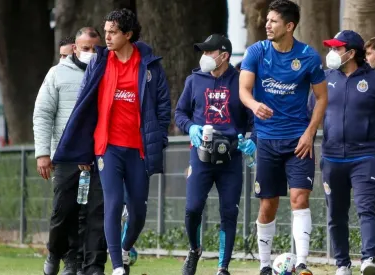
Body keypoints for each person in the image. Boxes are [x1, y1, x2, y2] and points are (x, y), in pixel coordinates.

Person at [52, 8, 171, 275]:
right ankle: (117, 266)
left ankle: (126, 248)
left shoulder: (149, 64)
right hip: (108, 147)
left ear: (128, 35)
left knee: (138, 211)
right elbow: (84, 108)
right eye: (105, 31)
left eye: (113, 32)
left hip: (138, 149)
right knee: (113, 204)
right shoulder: (99, 63)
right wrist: (83, 152)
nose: (106, 37)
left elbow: (163, 106)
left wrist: (158, 138)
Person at [239, 1, 328, 274]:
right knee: (268, 204)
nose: (267, 24)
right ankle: (265, 265)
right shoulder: (256, 52)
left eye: (274, 21)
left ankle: (302, 263)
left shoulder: (309, 56)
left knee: (299, 199)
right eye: (267, 19)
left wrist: (310, 132)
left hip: (298, 141)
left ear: (289, 26)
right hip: (266, 140)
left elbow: (322, 97)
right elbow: (244, 90)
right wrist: (254, 106)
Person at [316, 30, 375, 275]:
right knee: (336, 214)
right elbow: (312, 116)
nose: (332, 53)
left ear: (351, 53)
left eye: (337, 48)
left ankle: (369, 260)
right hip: (331, 158)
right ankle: (342, 264)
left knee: (366, 208)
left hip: (365, 156)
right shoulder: (324, 79)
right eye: (331, 48)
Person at [175, 34, 256, 275]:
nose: (205, 56)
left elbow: (253, 118)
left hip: (231, 156)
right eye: (204, 51)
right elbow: (180, 113)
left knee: (229, 211)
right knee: (192, 208)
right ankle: (193, 250)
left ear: (224, 56)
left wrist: (251, 140)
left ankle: (223, 266)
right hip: (200, 156)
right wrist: (191, 128)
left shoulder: (241, 80)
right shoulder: (194, 80)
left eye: (210, 52)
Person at [33, 27, 106, 275]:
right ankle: (56, 252)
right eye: (85, 48)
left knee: (92, 213)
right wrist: (43, 153)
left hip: (96, 157)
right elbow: (43, 113)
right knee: (63, 211)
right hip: (65, 157)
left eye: (95, 49)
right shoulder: (57, 74)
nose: (90, 53)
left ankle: (84, 264)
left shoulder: (106, 72)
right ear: (75, 48)